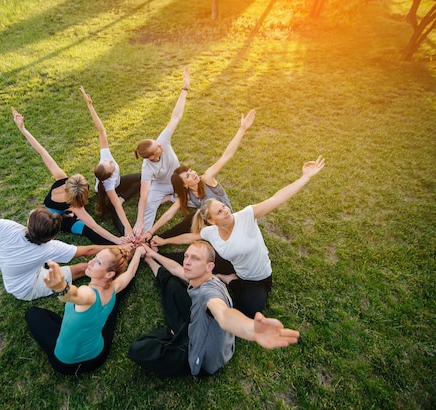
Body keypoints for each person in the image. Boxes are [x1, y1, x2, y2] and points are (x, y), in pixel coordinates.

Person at [151, 156, 326, 318]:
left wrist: (305, 177)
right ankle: (155, 256)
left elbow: (277, 199)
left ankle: (230, 280)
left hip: (258, 279)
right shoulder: (211, 232)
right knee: (193, 261)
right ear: (211, 221)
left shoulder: (246, 216)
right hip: (232, 262)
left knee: (246, 314)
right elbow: (189, 238)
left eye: (223, 207)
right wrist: (164, 241)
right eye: (219, 211)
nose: (226, 210)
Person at [128, 241, 300, 376]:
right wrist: (150, 255)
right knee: (173, 285)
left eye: (195, 258)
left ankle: (176, 334)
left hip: (201, 359)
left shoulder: (208, 293)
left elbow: (223, 314)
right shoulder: (204, 278)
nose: (187, 262)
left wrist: (251, 329)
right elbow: (175, 268)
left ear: (209, 266)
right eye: (186, 256)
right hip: (201, 326)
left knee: (138, 349)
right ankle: (179, 329)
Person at [12, 107, 124, 245]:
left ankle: (70, 216)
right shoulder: (70, 196)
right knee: (86, 229)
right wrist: (117, 240)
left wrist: (23, 129)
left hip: (63, 213)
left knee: (85, 227)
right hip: (53, 221)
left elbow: (42, 152)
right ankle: (70, 217)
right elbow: (95, 226)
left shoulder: (64, 184)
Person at [25, 245, 145, 375]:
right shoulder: (114, 287)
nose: (91, 262)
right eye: (95, 257)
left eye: (98, 262)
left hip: (65, 363)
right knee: (118, 296)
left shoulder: (87, 292)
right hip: (98, 356)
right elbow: (130, 273)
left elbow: (73, 295)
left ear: (110, 273)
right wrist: (138, 252)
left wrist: (61, 287)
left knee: (32, 313)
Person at [142, 109, 257, 241]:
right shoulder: (186, 195)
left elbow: (226, 156)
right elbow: (169, 214)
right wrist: (150, 232)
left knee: (193, 219)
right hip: (210, 223)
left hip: (225, 219)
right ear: (184, 185)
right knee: (192, 219)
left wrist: (242, 129)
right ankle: (155, 240)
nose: (194, 174)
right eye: (188, 176)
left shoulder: (207, 179)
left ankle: (160, 240)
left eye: (191, 171)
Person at [133, 66, 190, 239]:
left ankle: (172, 197)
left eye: (158, 143)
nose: (161, 146)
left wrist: (185, 88)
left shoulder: (162, 140)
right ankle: (141, 238)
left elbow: (175, 116)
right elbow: (143, 195)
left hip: (179, 179)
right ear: (152, 156)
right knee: (150, 205)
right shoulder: (147, 167)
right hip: (160, 185)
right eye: (157, 148)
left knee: (194, 196)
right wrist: (139, 221)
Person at [80, 86, 141, 238]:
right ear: (110, 173)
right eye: (111, 165)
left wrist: (90, 105)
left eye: (109, 162)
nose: (111, 161)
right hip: (110, 191)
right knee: (114, 209)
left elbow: (101, 130)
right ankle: (126, 236)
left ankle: (123, 197)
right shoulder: (108, 186)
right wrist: (128, 228)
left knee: (143, 178)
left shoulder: (104, 158)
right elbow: (120, 211)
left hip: (118, 184)